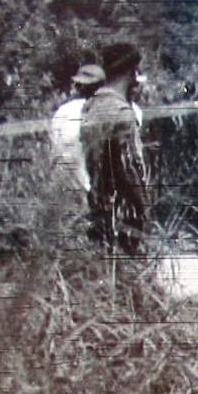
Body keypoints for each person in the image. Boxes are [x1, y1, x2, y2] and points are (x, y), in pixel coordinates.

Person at [81, 42, 150, 256]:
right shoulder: (122, 114)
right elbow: (128, 170)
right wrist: (144, 207)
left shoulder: (90, 107)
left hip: (97, 207)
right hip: (123, 213)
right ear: (132, 73)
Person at [50, 63, 106, 200]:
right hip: (91, 180)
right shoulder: (103, 109)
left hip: (68, 178)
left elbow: (56, 147)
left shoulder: (63, 110)